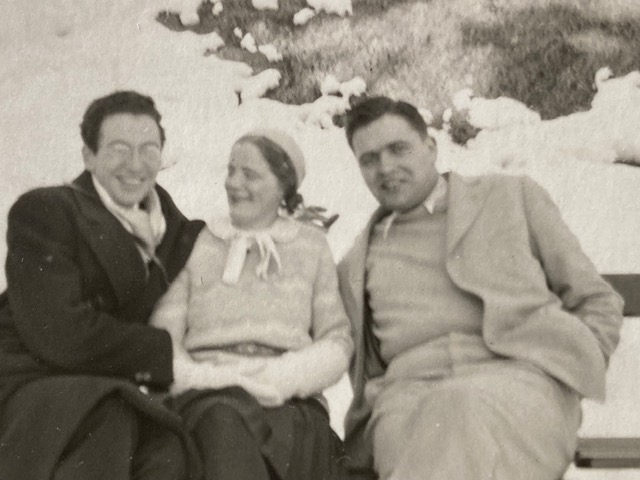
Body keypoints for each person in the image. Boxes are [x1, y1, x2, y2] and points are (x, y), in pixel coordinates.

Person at [337, 96, 625, 480]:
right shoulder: (356, 264)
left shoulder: (510, 198)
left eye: (398, 148)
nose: (385, 167)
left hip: (520, 387)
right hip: (406, 401)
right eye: (368, 159)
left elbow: (596, 299)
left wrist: (570, 367)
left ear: (430, 147)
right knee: (445, 416)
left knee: (458, 407)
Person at [0, 91, 205, 480]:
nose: (135, 164)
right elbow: (58, 331)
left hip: (111, 385)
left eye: (149, 149)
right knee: (106, 417)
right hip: (30, 377)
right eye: (117, 149)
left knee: (170, 449)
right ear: (88, 156)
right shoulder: (47, 210)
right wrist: (162, 354)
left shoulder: (179, 233)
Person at [150, 129, 353, 480]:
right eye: (230, 170)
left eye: (250, 174)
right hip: (205, 396)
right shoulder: (197, 242)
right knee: (222, 423)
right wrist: (207, 377)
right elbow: (162, 336)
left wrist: (281, 377)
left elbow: (336, 342)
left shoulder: (310, 247)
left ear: (283, 186)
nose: (233, 183)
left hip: (287, 399)